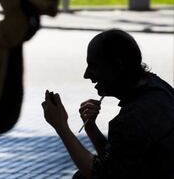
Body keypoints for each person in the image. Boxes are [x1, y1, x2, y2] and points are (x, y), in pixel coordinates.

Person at [42, 29, 174, 179]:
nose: (87, 75)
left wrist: (61, 126)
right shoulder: (159, 87)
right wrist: (91, 127)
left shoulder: (131, 120)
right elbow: (119, 162)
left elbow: (100, 174)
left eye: (93, 66)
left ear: (117, 66)